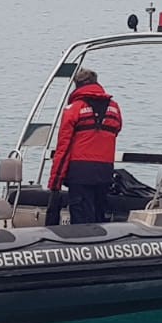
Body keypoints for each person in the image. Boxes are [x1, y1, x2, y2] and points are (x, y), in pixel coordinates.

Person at [50, 69, 123, 224]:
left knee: (81, 217)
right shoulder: (115, 108)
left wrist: (55, 181)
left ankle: (82, 244)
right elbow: (116, 131)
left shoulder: (73, 109)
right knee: (99, 215)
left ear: (76, 86)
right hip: (105, 171)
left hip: (80, 171)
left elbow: (63, 147)